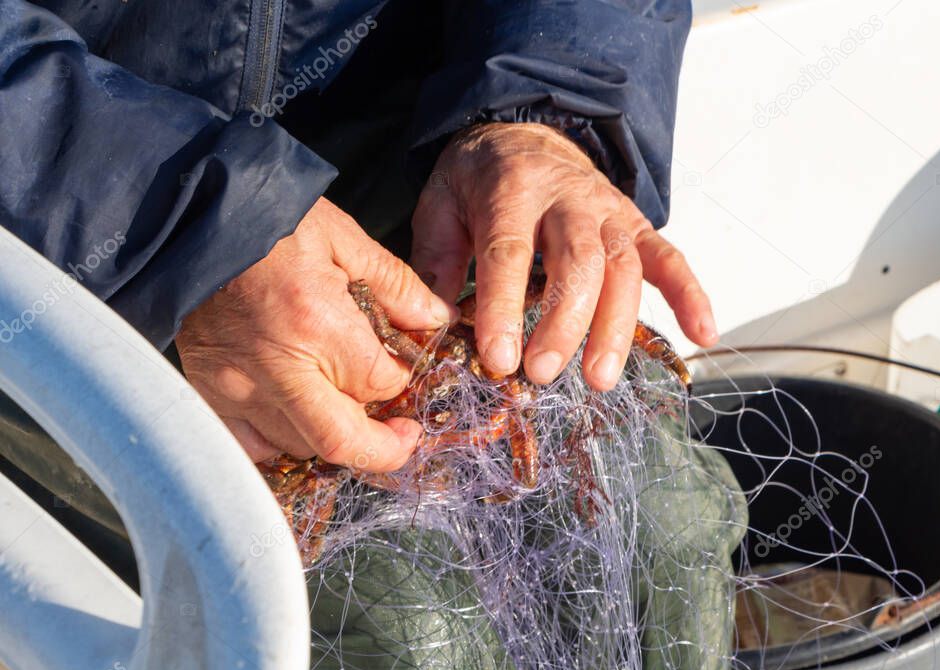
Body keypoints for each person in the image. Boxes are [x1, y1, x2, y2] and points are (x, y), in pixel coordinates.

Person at [0, 0, 716, 480]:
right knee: (412, 638)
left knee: (672, 508)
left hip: (420, 182)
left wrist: (547, 112)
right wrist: (190, 229)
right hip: (61, 260)